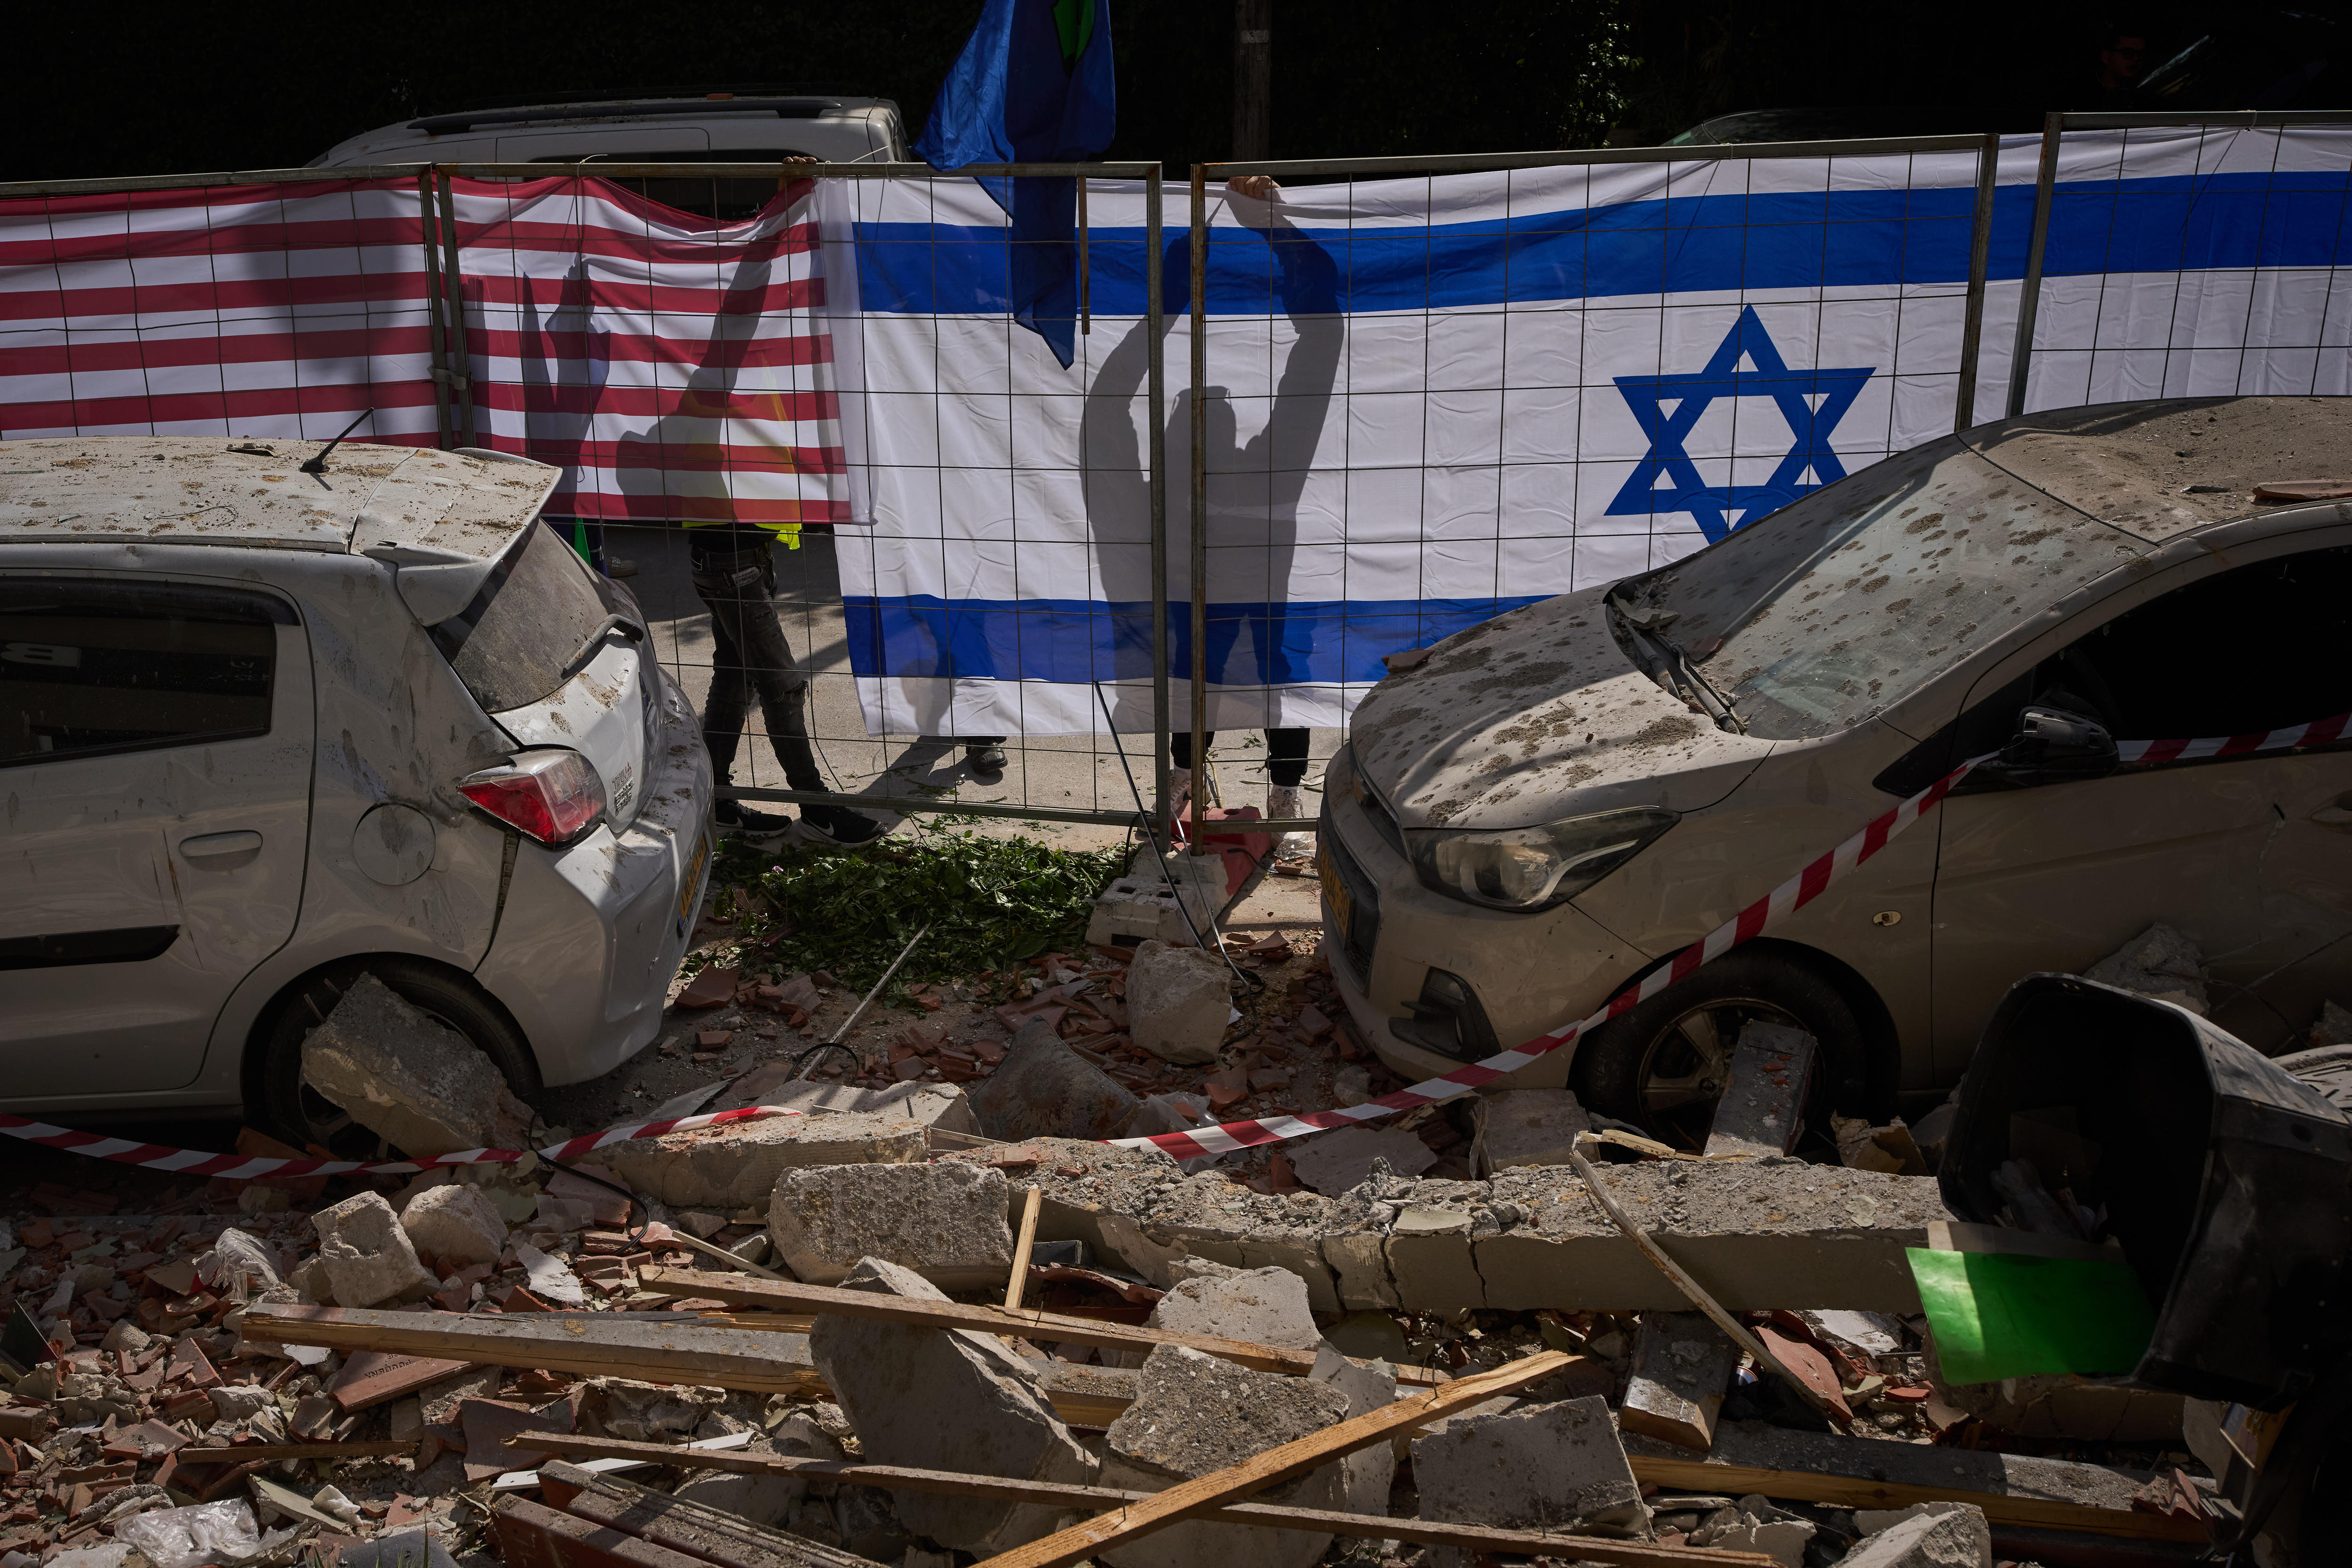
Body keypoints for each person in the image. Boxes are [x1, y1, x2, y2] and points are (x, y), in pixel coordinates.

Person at [690, 519, 883, 846]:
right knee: (783, 689)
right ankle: (818, 810)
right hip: (733, 563)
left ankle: (717, 801)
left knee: (735, 678)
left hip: (731, 557)